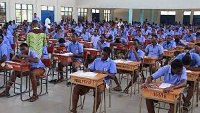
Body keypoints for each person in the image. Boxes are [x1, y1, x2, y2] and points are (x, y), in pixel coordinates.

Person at [70, 47, 117, 113]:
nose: (102, 56)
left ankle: (94, 111)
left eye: (104, 55)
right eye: (102, 54)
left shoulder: (111, 63)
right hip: (91, 80)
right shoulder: (97, 60)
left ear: (108, 55)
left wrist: (103, 72)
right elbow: (91, 69)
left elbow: (113, 76)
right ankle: (74, 110)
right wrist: (88, 69)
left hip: (102, 82)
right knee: (76, 88)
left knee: (98, 92)